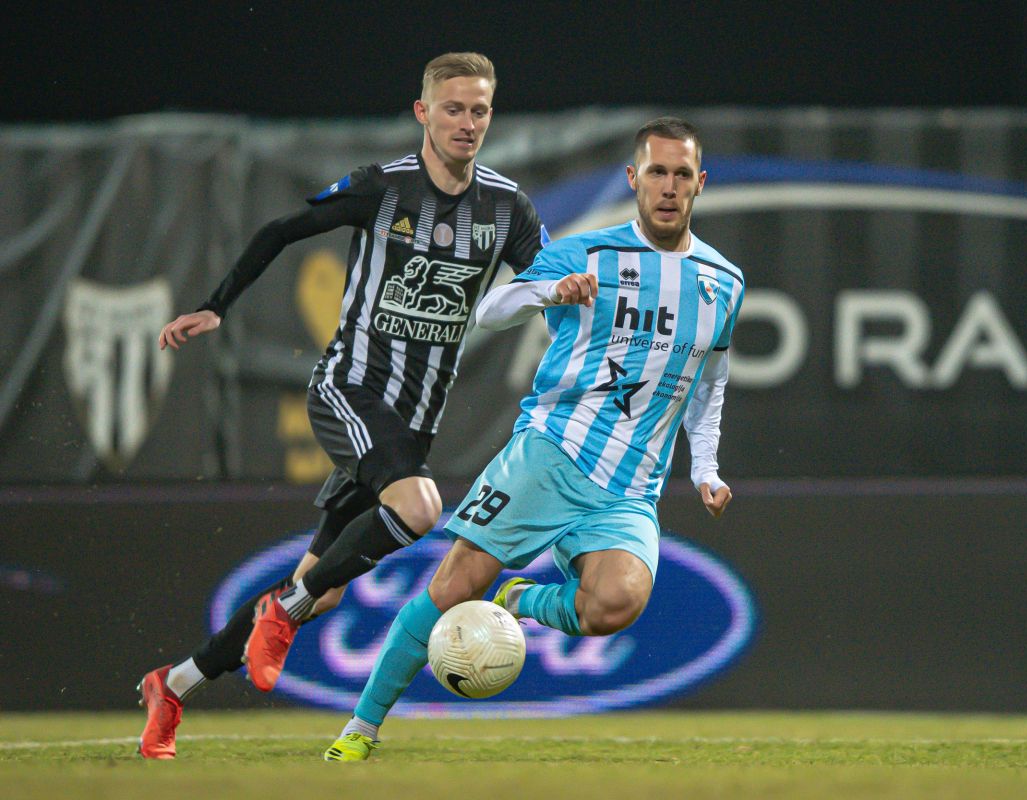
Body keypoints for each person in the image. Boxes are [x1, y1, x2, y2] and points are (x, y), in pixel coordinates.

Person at [137, 52, 546, 759]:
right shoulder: (383, 188)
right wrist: (215, 306)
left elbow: (552, 280)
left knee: (321, 588)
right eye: (453, 108)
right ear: (423, 112)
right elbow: (280, 231)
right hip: (349, 389)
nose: (467, 122)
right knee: (419, 507)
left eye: (479, 110)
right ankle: (284, 613)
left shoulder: (507, 207)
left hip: (413, 422)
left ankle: (172, 685)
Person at [318, 116, 743, 762]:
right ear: (633, 178)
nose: (668, 186)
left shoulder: (723, 281)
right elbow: (489, 310)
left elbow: (709, 382)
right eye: (656, 171)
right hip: (548, 455)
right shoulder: (587, 253)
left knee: (616, 603)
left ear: (700, 183)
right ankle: (361, 728)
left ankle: (522, 599)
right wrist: (549, 289)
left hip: (631, 487)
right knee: (454, 586)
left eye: (681, 174)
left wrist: (705, 468)